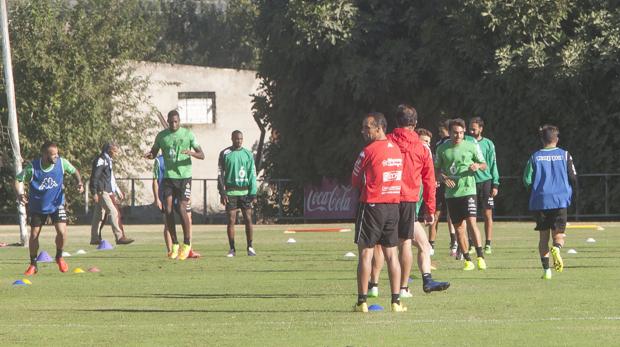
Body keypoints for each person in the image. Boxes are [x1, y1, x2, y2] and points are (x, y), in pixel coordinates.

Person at [386, 105, 449, 298]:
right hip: (407, 200)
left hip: (384, 198)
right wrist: (430, 209)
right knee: (407, 245)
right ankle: (404, 288)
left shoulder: (385, 142)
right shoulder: (421, 148)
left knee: (379, 246)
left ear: (396, 121)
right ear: (414, 124)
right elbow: (430, 180)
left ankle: (371, 286)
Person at [352, 112, 406, 313]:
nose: (363, 131)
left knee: (365, 254)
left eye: (367, 127)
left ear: (379, 128)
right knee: (392, 254)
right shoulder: (397, 150)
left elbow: (355, 180)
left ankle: (362, 302)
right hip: (392, 207)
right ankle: (396, 301)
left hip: (372, 206)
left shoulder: (367, 151)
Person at [15, 142, 84, 275]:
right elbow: (18, 180)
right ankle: (33, 264)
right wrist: (19, 194)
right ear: (45, 155)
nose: (56, 157)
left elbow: (74, 171)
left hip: (56, 205)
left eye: (57, 154)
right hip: (37, 207)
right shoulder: (33, 168)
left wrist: (79, 182)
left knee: (62, 232)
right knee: (34, 235)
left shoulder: (62, 163)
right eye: (53, 155)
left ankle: (59, 256)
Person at [145, 110, 204, 260]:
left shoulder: (188, 135)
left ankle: (187, 243)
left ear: (179, 121)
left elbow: (202, 154)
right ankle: (175, 244)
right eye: (171, 122)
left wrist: (191, 153)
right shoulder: (161, 136)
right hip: (169, 178)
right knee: (168, 209)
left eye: (176, 121)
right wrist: (149, 156)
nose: (173, 124)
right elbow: (154, 152)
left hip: (184, 178)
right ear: (168, 121)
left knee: (182, 208)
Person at [523, 125, 576, 279]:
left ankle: (546, 271)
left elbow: (526, 180)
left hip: (540, 201)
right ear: (556, 139)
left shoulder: (535, 156)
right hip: (560, 200)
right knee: (559, 234)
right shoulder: (565, 155)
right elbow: (573, 176)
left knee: (543, 237)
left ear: (542, 139)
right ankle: (557, 249)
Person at [435, 118, 488, 271]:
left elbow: (484, 165)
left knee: (472, 223)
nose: (458, 136)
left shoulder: (471, 146)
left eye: (461, 133)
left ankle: (480, 257)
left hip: (468, 190)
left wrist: (477, 165)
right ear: (449, 133)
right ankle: (467, 260)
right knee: (459, 229)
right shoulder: (442, 149)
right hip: (452, 194)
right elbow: (436, 170)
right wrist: (443, 178)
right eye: (455, 133)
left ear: (464, 132)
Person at [218, 130, 258, 257]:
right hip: (231, 192)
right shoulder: (225, 154)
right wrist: (222, 192)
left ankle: (250, 247)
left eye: (241, 139)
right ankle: (232, 249)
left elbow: (252, 174)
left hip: (245, 192)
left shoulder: (248, 154)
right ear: (232, 139)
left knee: (248, 219)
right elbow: (220, 175)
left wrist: (253, 193)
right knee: (231, 220)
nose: (239, 141)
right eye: (236, 139)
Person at [153, 154, 200, 258]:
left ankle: (188, 249)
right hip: (166, 194)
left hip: (179, 194)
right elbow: (155, 180)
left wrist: (188, 195)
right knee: (167, 223)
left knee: (188, 218)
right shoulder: (159, 160)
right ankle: (171, 250)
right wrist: (157, 198)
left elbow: (184, 178)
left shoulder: (179, 157)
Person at [466, 117, 500, 254]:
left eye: (474, 128)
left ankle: (488, 244)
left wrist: (495, 184)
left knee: (487, 214)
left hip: (486, 182)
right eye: (470, 128)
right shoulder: (465, 142)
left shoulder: (488, 144)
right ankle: (472, 244)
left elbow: (493, 164)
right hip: (470, 183)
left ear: (481, 129)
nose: (471, 131)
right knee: (470, 215)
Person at [90, 142, 134, 245]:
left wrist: (116, 190)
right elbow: (95, 176)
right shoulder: (101, 160)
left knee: (98, 215)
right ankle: (119, 237)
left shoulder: (108, 160)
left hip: (106, 189)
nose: (116, 153)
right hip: (102, 190)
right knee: (113, 212)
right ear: (109, 150)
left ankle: (94, 238)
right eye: (115, 151)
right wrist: (94, 192)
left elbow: (110, 178)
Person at [429, 121, 457, 257]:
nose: (440, 134)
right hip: (445, 181)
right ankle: (452, 243)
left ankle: (433, 244)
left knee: (439, 213)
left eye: (442, 132)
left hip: (445, 181)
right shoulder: (441, 145)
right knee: (444, 213)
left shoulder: (444, 145)